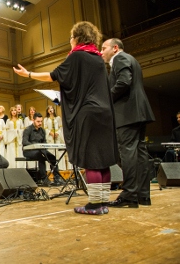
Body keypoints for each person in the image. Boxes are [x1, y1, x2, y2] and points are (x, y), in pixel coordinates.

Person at [14, 21, 119, 215]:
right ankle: (103, 202)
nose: (70, 41)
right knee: (103, 159)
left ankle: (95, 205)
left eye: (71, 37)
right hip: (105, 114)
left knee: (91, 159)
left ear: (77, 38)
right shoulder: (98, 59)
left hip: (88, 114)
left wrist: (28, 74)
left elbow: (53, 76)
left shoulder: (77, 56)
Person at [102, 38, 155, 208]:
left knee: (128, 153)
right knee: (140, 154)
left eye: (104, 48)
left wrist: (106, 99)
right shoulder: (133, 59)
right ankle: (143, 195)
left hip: (127, 113)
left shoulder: (120, 58)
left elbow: (124, 82)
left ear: (115, 48)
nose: (101, 52)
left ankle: (129, 194)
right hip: (138, 112)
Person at [22, 112, 62, 186]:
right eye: (38, 121)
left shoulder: (42, 130)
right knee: (41, 156)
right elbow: (25, 142)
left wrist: (43, 146)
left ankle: (57, 177)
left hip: (41, 150)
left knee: (52, 157)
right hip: (29, 151)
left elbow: (44, 142)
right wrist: (35, 146)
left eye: (41, 121)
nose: (40, 123)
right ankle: (44, 179)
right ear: (33, 120)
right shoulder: (28, 130)